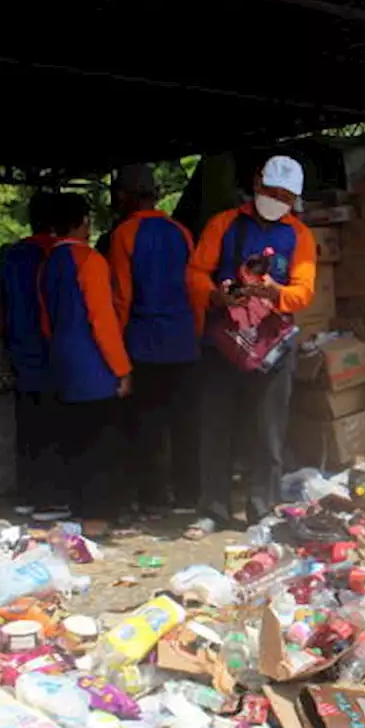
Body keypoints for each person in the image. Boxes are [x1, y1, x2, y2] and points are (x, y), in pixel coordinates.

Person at [185, 155, 316, 537]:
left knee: (268, 432)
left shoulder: (299, 235)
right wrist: (216, 296)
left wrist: (276, 293)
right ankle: (213, 510)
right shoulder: (224, 224)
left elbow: (303, 290)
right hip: (221, 342)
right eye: (272, 192)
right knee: (215, 428)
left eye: (286, 196)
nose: (278, 200)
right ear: (257, 183)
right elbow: (195, 273)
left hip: (271, 346)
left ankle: (262, 510)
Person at [107, 164, 200, 514]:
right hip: (183, 342)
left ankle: (152, 499)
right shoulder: (181, 232)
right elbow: (194, 290)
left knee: (147, 425)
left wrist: (115, 353)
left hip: (143, 344)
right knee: (185, 424)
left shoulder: (123, 235)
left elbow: (121, 298)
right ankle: (189, 497)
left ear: (124, 195)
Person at [39, 193, 132, 535]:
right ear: (82, 223)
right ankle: (97, 518)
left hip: (63, 364)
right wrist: (121, 368)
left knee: (75, 441)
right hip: (94, 367)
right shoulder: (89, 261)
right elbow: (102, 321)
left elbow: (45, 319)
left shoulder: (49, 263)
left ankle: (79, 512)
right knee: (101, 445)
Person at [0, 191, 71, 520]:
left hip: (20, 351)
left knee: (27, 426)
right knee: (55, 427)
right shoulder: (59, 254)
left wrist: (1, 342)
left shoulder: (11, 254)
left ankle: (27, 495)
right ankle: (50, 500)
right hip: (52, 354)